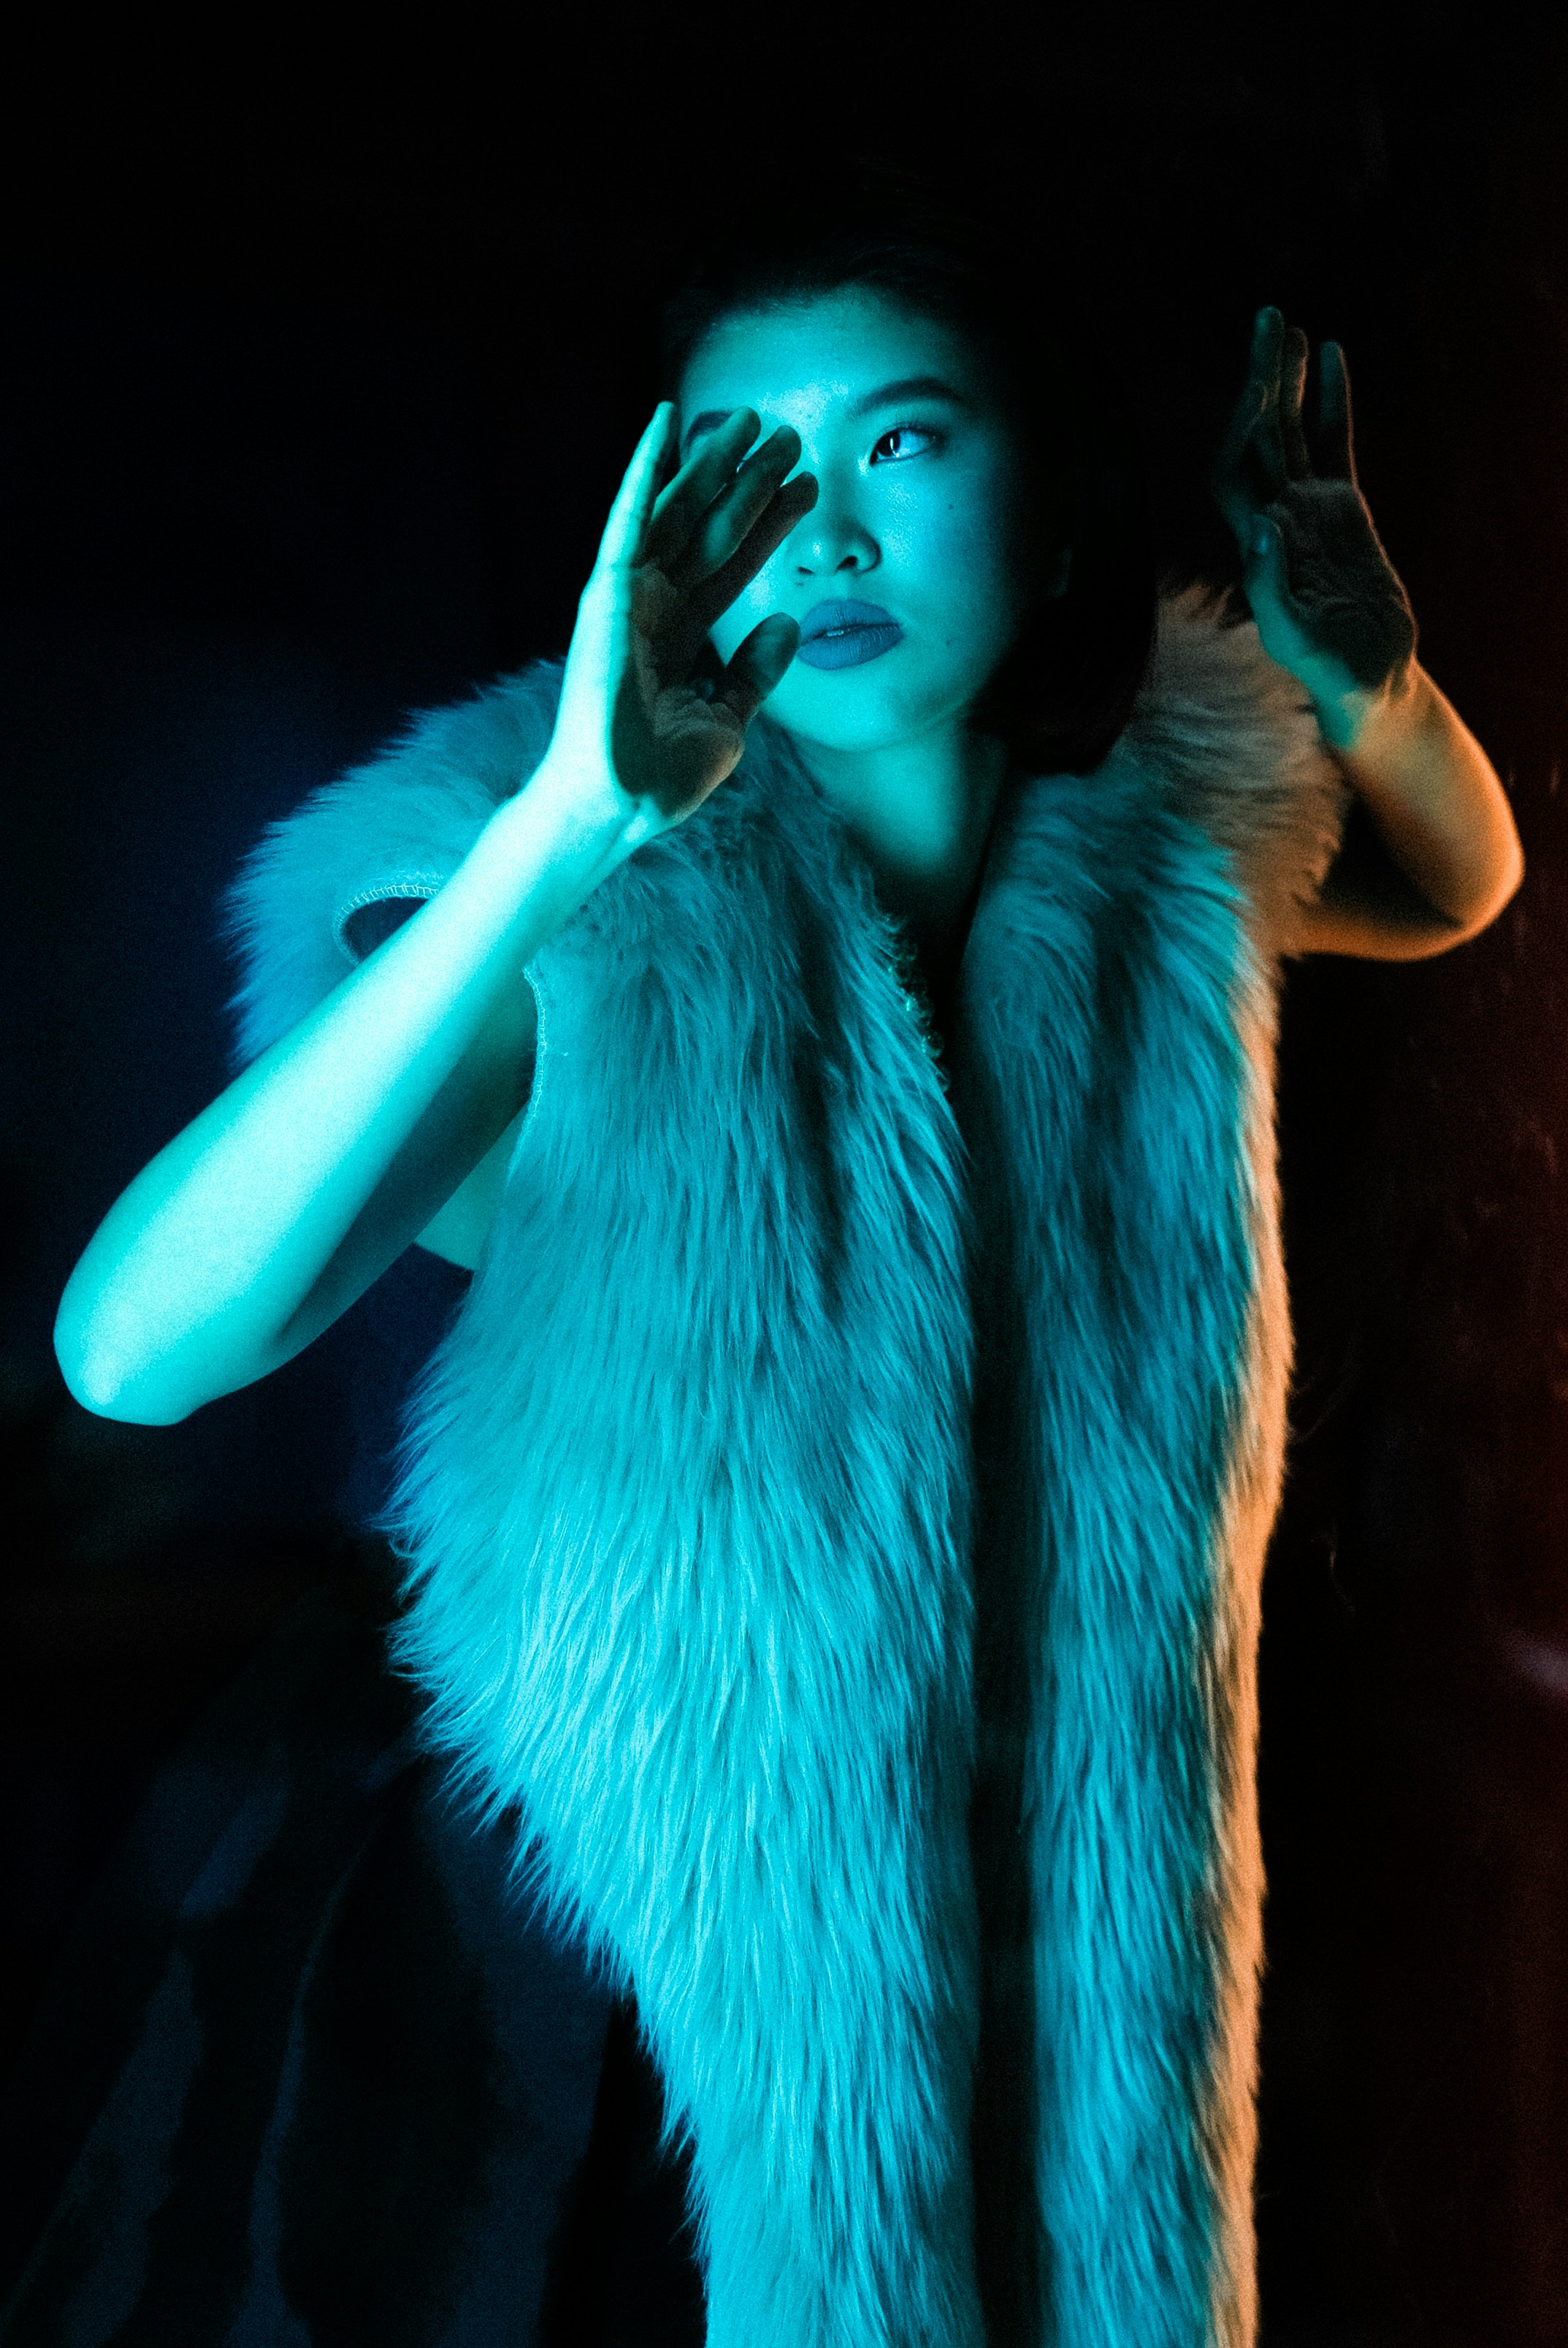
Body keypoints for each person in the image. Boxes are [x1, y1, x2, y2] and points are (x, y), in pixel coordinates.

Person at [12, 165, 1521, 2348]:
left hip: (1055, 1925)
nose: (821, 528)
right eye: (749, 464)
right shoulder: (567, 884)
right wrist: (560, 831)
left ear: (1059, 499)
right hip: (593, 1947)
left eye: (899, 443)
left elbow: (1441, 883)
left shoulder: (1158, 843)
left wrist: (1364, 681)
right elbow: (131, 1354)